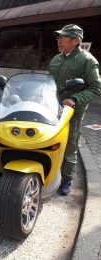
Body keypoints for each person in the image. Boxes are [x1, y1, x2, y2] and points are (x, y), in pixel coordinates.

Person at [49, 24, 101, 195]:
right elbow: (49, 82)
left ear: (76, 40)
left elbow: (95, 89)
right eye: (59, 37)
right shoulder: (56, 59)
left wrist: (75, 99)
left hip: (72, 112)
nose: (59, 40)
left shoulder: (87, 61)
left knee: (70, 144)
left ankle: (67, 179)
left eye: (64, 37)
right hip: (50, 108)